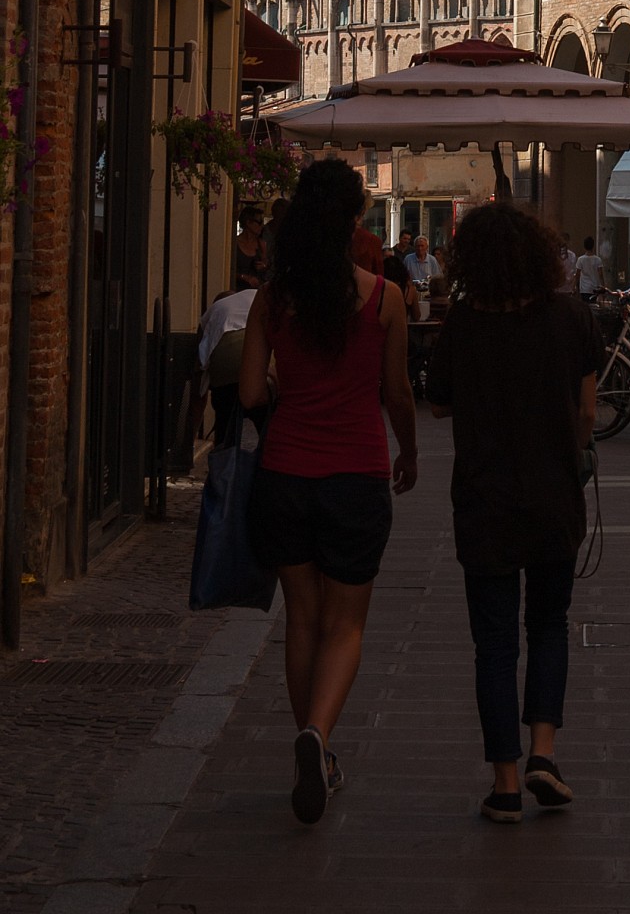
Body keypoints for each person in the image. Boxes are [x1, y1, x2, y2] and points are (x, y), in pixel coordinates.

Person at [239, 158, 417, 827]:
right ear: (353, 221)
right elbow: (396, 395)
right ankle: (317, 735)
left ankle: (314, 746)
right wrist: (411, 450)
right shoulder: (384, 299)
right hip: (356, 475)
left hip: (285, 475)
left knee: (302, 620)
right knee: (346, 624)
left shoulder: (273, 297)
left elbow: (253, 393)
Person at [427, 201, 598, 825]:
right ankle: (543, 754)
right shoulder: (572, 317)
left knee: (494, 644)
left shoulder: (464, 324)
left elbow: (439, 404)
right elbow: (587, 412)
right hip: (554, 494)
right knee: (549, 623)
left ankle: (503, 783)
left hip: (483, 499)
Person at [197, 284, 255, 437]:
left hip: (225, 369)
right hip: (258, 365)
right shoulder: (254, 296)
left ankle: (224, 451)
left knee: (225, 418)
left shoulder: (214, 310)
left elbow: (200, 362)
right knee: (260, 416)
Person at [234, 203, 268, 290]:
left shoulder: (261, 244)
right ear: (248, 222)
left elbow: (266, 269)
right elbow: (226, 271)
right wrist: (244, 277)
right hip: (238, 291)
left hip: (255, 292)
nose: (262, 226)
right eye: (259, 222)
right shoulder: (235, 244)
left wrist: (264, 266)